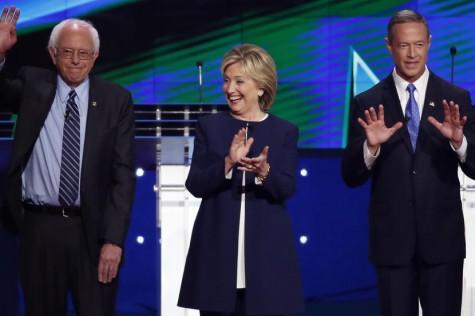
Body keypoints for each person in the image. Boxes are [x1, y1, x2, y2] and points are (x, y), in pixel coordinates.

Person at [0, 6, 136, 316]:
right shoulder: (32, 85)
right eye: (68, 52)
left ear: (95, 57)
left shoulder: (117, 100)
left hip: (93, 233)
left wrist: (113, 240)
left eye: (85, 54)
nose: (76, 61)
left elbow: (123, 176)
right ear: (52, 54)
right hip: (39, 229)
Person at [341, 9, 475, 316]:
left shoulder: (455, 98)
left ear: (429, 43)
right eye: (403, 45)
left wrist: (459, 142)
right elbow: (349, 175)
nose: (412, 54)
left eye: (418, 44)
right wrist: (370, 148)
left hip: (443, 240)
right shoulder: (367, 102)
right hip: (392, 242)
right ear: (389, 45)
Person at [177, 43, 304, 316]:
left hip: (267, 257)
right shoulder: (210, 127)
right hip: (217, 256)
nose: (230, 89)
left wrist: (263, 173)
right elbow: (195, 184)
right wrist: (228, 163)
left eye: (239, 81)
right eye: (226, 80)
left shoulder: (284, 131)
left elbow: (287, 187)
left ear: (260, 87)